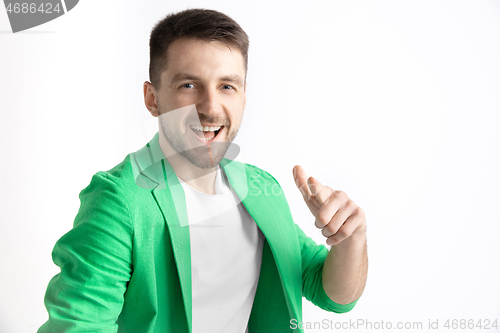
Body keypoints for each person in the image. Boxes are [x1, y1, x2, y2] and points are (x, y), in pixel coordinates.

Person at [38, 8, 368, 333]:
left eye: (227, 86)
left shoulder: (261, 188)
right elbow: (77, 326)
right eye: (188, 86)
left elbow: (331, 293)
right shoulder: (118, 200)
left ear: (243, 97)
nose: (210, 107)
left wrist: (351, 239)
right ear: (152, 99)